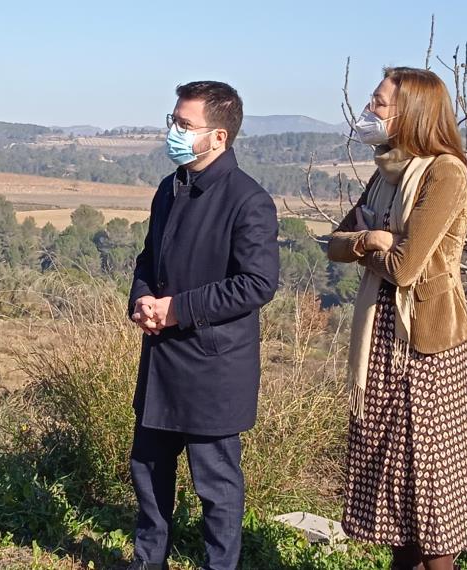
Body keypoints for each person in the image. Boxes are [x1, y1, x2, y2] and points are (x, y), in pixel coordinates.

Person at [328, 67, 467, 570]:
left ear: (411, 112)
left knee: (432, 497)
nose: (369, 110)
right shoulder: (387, 170)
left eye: (380, 102)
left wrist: (375, 241)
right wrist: (375, 240)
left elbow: (407, 267)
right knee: (396, 497)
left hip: (428, 345)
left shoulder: (444, 172)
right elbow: (335, 244)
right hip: (384, 341)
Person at [127, 81, 279, 570]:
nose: (172, 131)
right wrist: (142, 300)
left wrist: (178, 309)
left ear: (218, 137)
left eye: (183, 124)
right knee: (148, 472)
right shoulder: (169, 188)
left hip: (214, 366)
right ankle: (148, 560)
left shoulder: (248, 200)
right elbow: (149, 258)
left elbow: (257, 284)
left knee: (216, 484)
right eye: (172, 120)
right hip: (161, 360)